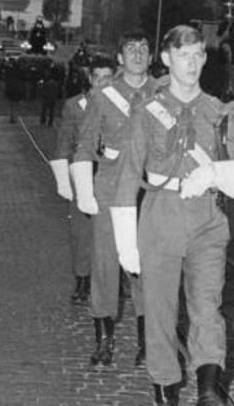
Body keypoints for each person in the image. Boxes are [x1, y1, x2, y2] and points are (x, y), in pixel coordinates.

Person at [109, 24, 234, 406]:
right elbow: (127, 176)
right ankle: (165, 390)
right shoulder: (147, 111)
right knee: (159, 311)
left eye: (198, 55)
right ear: (167, 59)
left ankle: (209, 390)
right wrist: (126, 245)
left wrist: (214, 173)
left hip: (207, 218)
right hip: (160, 217)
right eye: (183, 55)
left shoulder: (220, 113)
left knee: (207, 305)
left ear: (205, 59)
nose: (191, 63)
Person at [71, 30, 159, 368]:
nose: (137, 53)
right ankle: (104, 341)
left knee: (147, 268)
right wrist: (85, 190)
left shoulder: (163, 93)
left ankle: (147, 343)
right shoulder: (103, 94)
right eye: (130, 48)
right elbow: (84, 144)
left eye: (143, 48)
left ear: (150, 56)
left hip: (150, 193)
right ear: (119, 58)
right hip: (110, 190)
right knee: (105, 266)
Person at [48, 57, 115, 306]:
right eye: (98, 78)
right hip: (83, 172)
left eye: (108, 78)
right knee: (81, 231)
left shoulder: (122, 106)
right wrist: (63, 179)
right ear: (90, 78)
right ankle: (82, 279)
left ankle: (113, 279)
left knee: (112, 229)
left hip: (111, 174)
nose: (103, 83)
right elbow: (64, 142)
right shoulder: (75, 106)